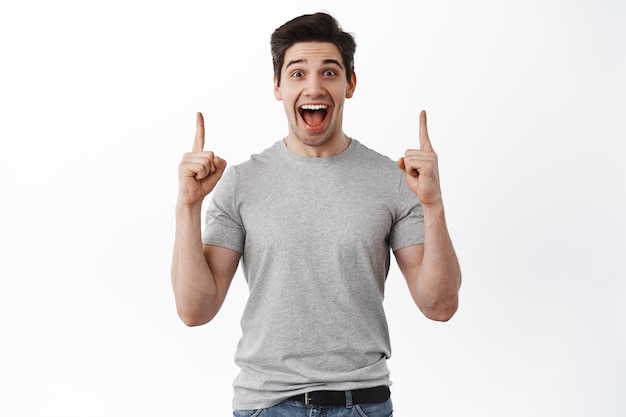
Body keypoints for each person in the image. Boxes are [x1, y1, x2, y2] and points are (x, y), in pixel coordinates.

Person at [171, 12, 461, 417]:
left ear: (350, 84)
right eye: (297, 73)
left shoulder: (393, 180)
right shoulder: (241, 182)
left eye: (329, 72)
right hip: (265, 405)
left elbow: (440, 305)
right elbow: (194, 311)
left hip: (362, 403)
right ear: (277, 86)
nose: (313, 86)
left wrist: (434, 204)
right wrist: (188, 207)